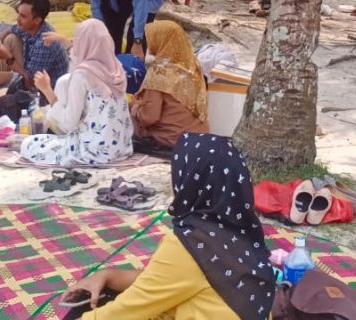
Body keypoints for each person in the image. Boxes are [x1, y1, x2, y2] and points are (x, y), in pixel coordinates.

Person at [58, 134, 274, 319]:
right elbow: (165, 280)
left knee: (90, 307)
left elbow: (125, 312)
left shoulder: (192, 243)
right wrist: (108, 276)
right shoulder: (238, 227)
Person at [19, 19, 133, 166]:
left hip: (94, 150)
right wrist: (62, 39)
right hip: (121, 148)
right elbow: (81, 52)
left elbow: (68, 124)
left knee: (29, 144)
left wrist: (47, 90)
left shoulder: (83, 74)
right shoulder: (117, 67)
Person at [131, 21, 210, 151]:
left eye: (152, 38)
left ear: (162, 40)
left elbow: (149, 117)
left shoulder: (159, 73)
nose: (149, 44)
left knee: (126, 112)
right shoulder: (192, 66)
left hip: (172, 139)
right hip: (200, 135)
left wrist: (136, 108)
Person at [0, 0, 70, 92]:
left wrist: (8, 57)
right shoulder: (29, 26)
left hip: (45, 88)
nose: (18, 19)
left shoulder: (45, 43)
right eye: (19, 14)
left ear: (37, 20)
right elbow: (9, 31)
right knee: (10, 39)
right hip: (29, 70)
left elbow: (30, 82)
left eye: (23, 16)